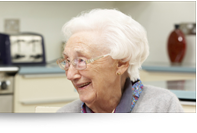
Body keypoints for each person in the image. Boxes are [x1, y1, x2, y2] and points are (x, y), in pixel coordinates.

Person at [56, 9, 184, 113]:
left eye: (82, 60)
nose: (70, 75)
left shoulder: (163, 105)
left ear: (121, 63)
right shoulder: (65, 114)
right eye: (67, 61)